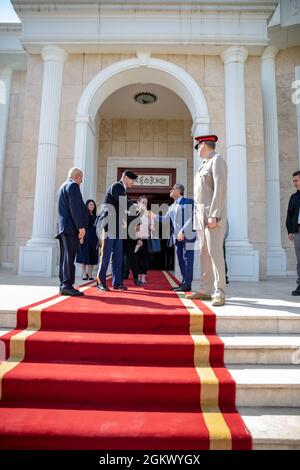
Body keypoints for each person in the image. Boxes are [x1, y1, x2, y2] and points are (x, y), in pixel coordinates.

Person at [186, 135, 227, 307]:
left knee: (215, 253)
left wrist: (214, 214)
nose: (197, 151)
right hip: (201, 216)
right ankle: (204, 289)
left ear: (203, 145)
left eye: (198, 147)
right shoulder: (203, 165)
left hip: (211, 215)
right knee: (203, 253)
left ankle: (219, 291)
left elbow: (220, 188)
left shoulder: (217, 161)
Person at [96, 170, 139, 292]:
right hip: (108, 225)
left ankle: (117, 282)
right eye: (132, 180)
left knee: (118, 256)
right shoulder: (117, 186)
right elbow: (125, 203)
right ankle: (100, 282)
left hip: (118, 228)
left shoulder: (123, 191)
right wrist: (138, 210)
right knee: (105, 255)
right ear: (125, 178)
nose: (133, 183)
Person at [150, 184, 196, 292]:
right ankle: (184, 283)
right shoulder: (171, 207)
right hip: (177, 238)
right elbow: (165, 220)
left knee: (187, 260)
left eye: (173, 189)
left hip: (187, 236)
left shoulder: (188, 201)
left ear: (179, 190)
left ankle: (187, 283)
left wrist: (183, 231)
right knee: (180, 260)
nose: (170, 190)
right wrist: (153, 215)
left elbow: (191, 217)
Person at [56, 167, 87, 296]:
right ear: (78, 176)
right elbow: (75, 209)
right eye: (81, 179)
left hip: (63, 228)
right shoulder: (73, 186)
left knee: (65, 258)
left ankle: (63, 284)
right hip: (70, 228)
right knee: (69, 258)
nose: (81, 183)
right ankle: (67, 285)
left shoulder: (62, 186)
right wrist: (80, 227)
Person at [76, 199, 99, 280]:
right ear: (87, 206)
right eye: (90, 205)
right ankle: (83, 273)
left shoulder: (96, 216)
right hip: (85, 237)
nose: (92, 206)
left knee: (92, 255)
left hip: (94, 237)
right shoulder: (84, 215)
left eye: (93, 205)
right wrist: (81, 237)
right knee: (84, 255)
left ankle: (90, 273)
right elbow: (81, 227)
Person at [286, 170, 300, 296]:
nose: (294, 183)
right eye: (294, 180)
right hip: (298, 231)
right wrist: (290, 230)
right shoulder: (294, 198)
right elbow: (289, 216)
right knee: (299, 259)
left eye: (296, 180)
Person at [135, 195, 154, 284]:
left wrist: (152, 225)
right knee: (137, 258)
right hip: (137, 238)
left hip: (146, 238)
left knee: (146, 259)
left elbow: (152, 227)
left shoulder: (149, 213)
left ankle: (143, 277)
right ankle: (138, 276)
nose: (144, 204)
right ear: (138, 203)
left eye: (146, 202)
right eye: (143, 202)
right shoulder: (135, 212)